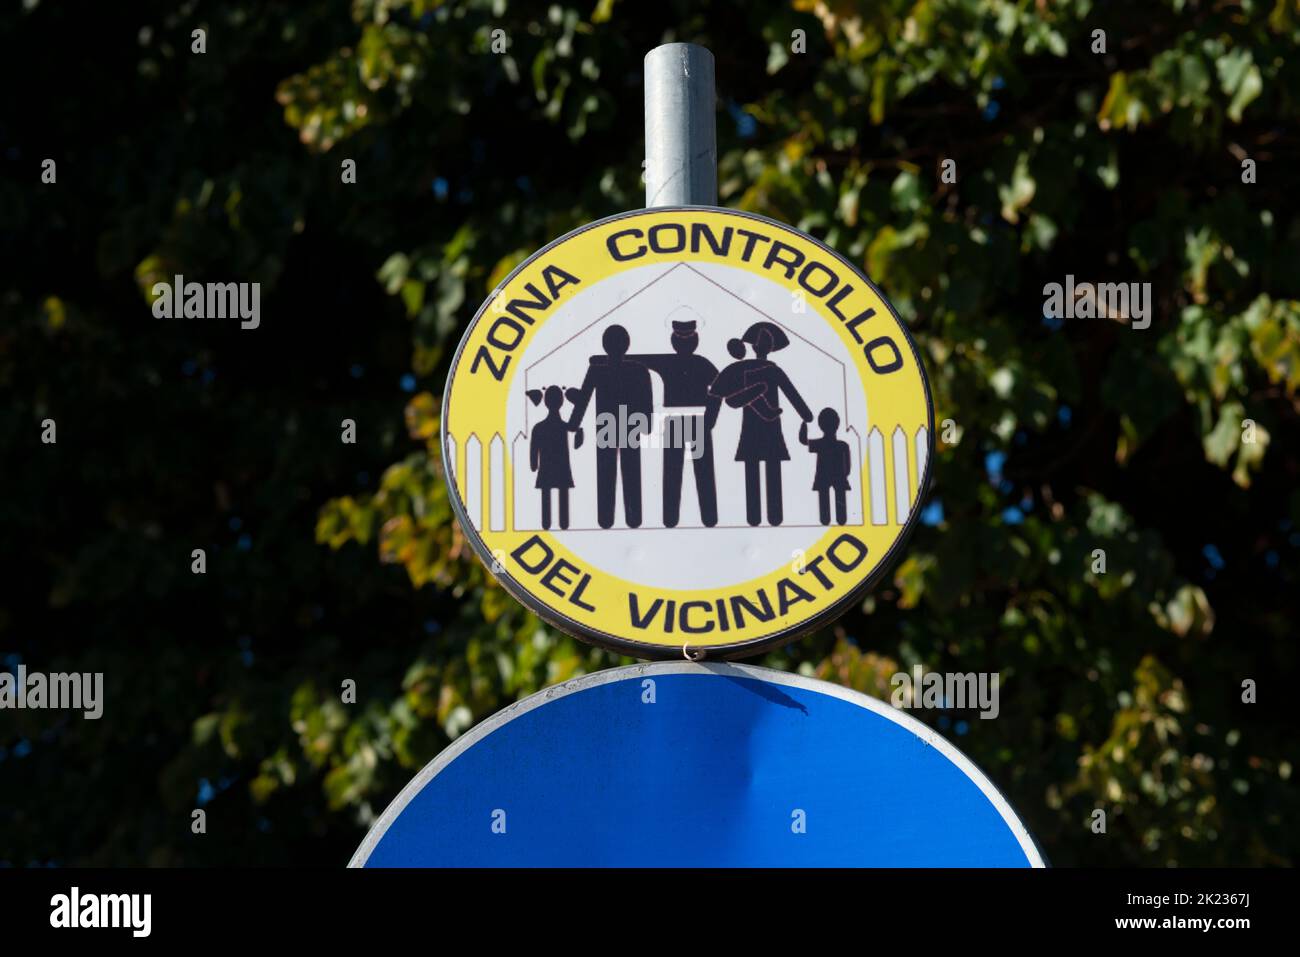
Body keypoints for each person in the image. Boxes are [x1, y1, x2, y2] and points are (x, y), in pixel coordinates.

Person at [709, 321, 813, 526]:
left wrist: (708, 423)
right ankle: (770, 517)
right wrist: (806, 416)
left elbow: (717, 395)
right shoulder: (770, 370)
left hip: (758, 426)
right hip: (767, 425)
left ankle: (757, 518)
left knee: (754, 468)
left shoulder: (742, 368)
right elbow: (794, 397)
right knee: (767, 467)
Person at [624, 313, 721, 527]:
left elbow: (721, 388)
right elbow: (640, 361)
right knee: (676, 471)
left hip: (691, 422)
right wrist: (710, 419)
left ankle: (690, 518)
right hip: (684, 422)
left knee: (682, 472)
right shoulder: (696, 362)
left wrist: (710, 419)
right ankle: (697, 518)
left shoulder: (690, 362)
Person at [566, 324, 653, 528]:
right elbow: (646, 399)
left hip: (611, 426)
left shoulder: (600, 369)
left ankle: (610, 519)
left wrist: (572, 424)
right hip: (625, 425)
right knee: (626, 471)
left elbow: (583, 400)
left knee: (610, 472)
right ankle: (629, 519)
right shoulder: (636, 369)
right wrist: (647, 423)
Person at [528, 386, 578, 530]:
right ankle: (562, 524)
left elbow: (533, 450)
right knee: (562, 498)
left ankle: (550, 524)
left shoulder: (539, 427)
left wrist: (534, 465)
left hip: (547, 470)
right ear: (561, 402)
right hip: (560, 469)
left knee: (548, 498)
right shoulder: (563, 426)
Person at [798, 408, 852, 525]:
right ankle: (833, 519)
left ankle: (832, 519)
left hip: (830, 477)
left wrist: (804, 425)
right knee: (832, 499)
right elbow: (847, 465)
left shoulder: (824, 444)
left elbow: (803, 441)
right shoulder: (841, 445)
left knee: (830, 500)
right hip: (835, 477)